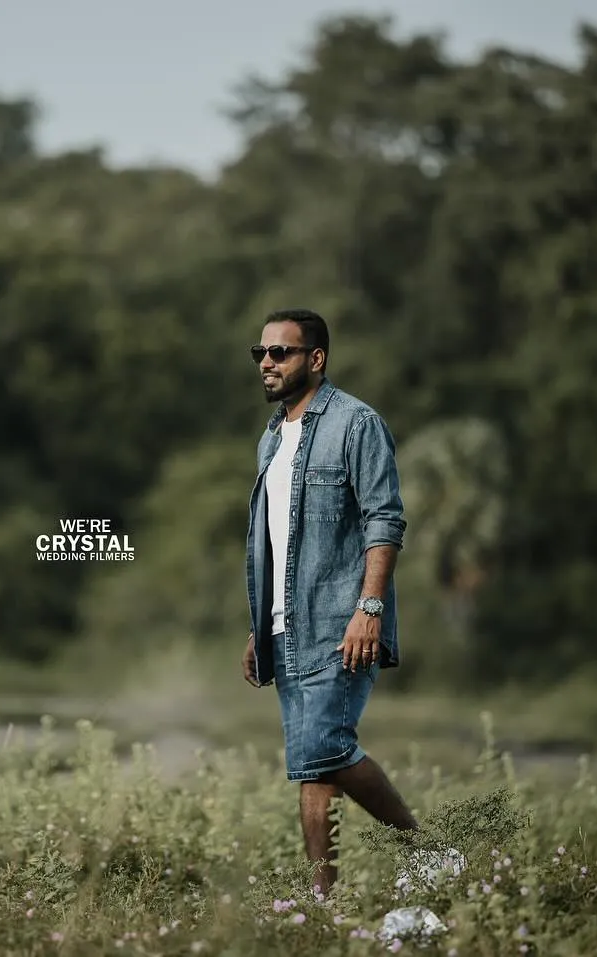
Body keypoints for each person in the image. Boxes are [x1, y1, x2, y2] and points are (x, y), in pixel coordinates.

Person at [241, 308, 425, 897]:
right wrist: (259, 623)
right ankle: (323, 903)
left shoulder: (356, 423)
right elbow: (274, 541)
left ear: (315, 359)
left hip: (341, 623)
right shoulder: (271, 437)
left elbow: (384, 519)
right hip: (284, 627)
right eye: (260, 353)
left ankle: (428, 855)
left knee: (324, 746)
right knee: (311, 766)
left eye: (281, 353)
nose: (267, 363)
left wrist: (368, 610)